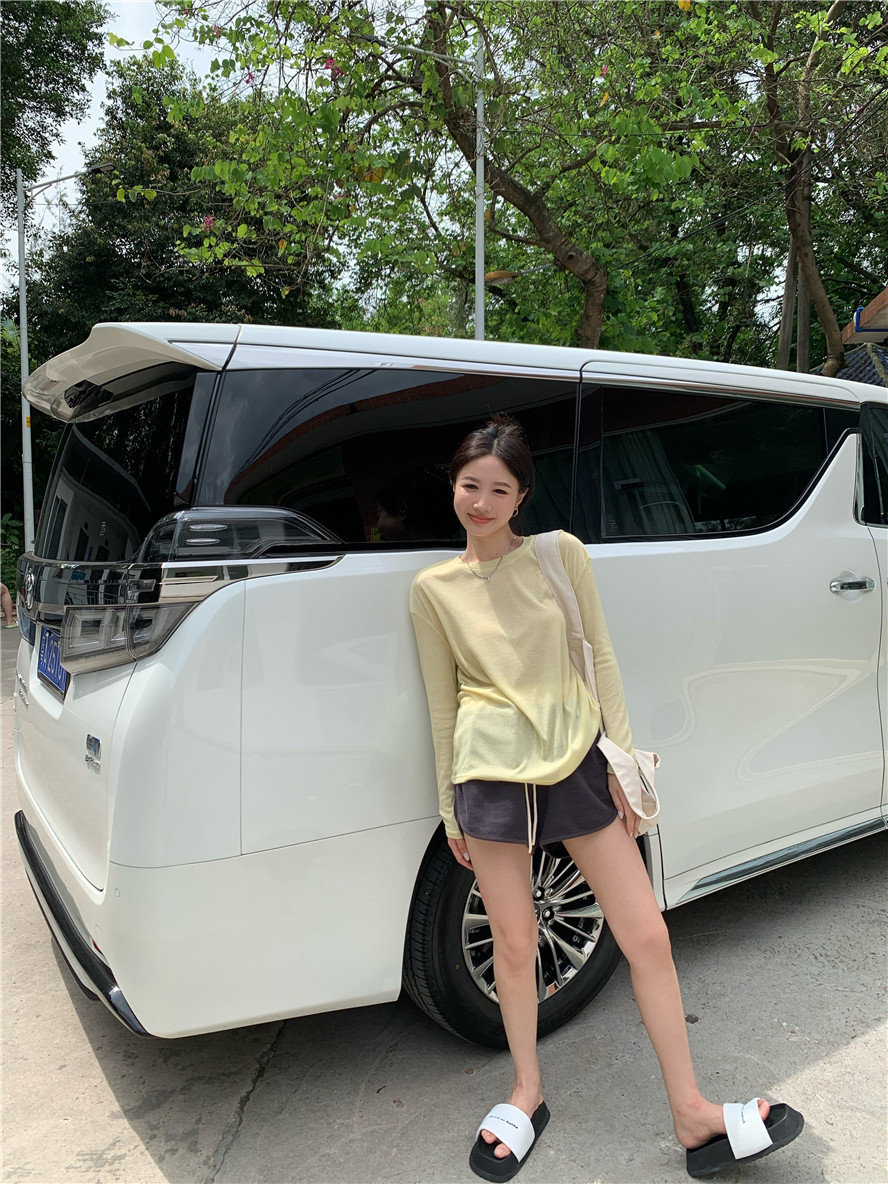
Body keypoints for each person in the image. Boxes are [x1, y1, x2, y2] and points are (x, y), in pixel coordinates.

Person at [409, 415, 804, 1182]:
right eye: (469, 486)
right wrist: (449, 808)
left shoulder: (559, 555)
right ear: (452, 487)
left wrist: (619, 767)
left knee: (646, 934)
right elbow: (442, 703)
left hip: (575, 764)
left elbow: (605, 659)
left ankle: (692, 1114)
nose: (481, 503)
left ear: (522, 496)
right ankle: (526, 1092)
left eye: (499, 490)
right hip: (487, 776)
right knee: (514, 946)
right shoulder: (432, 590)